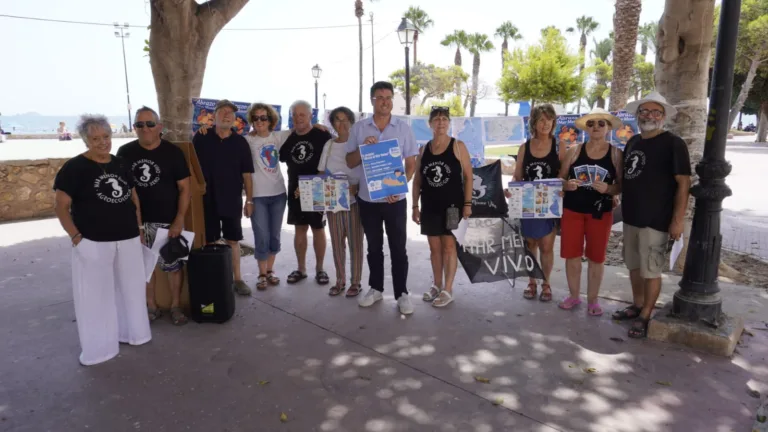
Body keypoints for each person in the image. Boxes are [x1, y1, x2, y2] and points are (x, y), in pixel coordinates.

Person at [52, 114, 151, 366]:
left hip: (127, 238)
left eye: (106, 137)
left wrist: (138, 226)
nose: (102, 142)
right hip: (93, 241)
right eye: (95, 138)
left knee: (131, 290)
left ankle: (133, 334)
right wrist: (76, 238)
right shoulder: (74, 168)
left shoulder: (120, 163)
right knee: (95, 297)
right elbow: (61, 206)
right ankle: (100, 349)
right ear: (86, 140)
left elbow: (133, 196)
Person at [612, 91, 691, 339]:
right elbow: (625, 179)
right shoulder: (633, 141)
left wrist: (677, 220)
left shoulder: (673, 144)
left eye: (655, 112)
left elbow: (684, 184)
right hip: (631, 217)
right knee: (634, 266)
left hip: (656, 220)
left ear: (663, 116)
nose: (649, 116)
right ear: (637, 116)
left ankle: (646, 314)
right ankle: (637, 305)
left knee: (651, 270)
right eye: (644, 111)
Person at [346, 81, 419, 315]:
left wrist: (399, 186)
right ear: (372, 100)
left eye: (388, 97)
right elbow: (350, 161)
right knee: (374, 247)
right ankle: (375, 288)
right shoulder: (359, 128)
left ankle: (402, 294)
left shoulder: (403, 128)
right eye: (380, 97)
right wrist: (363, 149)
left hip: (395, 200)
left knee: (398, 248)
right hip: (368, 199)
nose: (385, 101)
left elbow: (411, 163)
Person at [116, 106, 191, 325]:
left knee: (174, 266)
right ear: (134, 128)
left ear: (159, 127)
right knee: (144, 269)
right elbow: (123, 190)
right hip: (137, 223)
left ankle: (176, 306)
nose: (145, 129)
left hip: (168, 221)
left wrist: (179, 219)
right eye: (140, 124)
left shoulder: (172, 153)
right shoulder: (125, 152)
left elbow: (185, 189)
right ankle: (151, 306)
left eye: (150, 124)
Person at [558, 108, 624, 316]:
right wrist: (566, 185)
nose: (596, 127)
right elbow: (559, 178)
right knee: (572, 256)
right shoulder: (574, 151)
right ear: (586, 128)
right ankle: (574, 296)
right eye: (591, 123)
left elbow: (622, 185)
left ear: (608, 128)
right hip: (573, 210)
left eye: (601, 123)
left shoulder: (616, 154)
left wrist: (609, 189)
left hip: (600, 212)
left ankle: (593, 300)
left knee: (596, 258)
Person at [412, 106, 473, 308]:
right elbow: (417, 181)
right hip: (429, 205)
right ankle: (436, 285)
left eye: (444, 119)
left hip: (453, 207)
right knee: (434, 248)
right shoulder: (424, 149)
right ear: (430, 124)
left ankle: (448, 288)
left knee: (449, 247)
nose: (441, 122)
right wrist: (414, 206)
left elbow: (469, 177)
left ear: (449, 123)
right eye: (437, 119)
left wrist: (467, 204)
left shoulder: (458, 146)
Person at [193, 99, 255, 296]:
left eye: (231, 113)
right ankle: (215, 277)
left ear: (235, 118)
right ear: (215, 116)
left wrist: (250, 200)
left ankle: (237, 279)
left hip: (231, 198)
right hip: (206, 199)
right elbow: (192, 167)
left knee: (233, 240)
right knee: (209, 240)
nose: (227, 115)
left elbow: (247, 174)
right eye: (223, 112)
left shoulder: (240, 142)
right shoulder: (201, 138)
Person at [512, 103, 566, 302]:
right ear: (534, 123)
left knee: (546, 246)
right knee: (530, 244)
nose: (545, 124)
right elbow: (517, 175)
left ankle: (546, 283)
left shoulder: (559, 145)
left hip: (549, 205)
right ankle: (532, 282)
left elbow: (563, 173)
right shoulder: (525, 147)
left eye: (549, 119)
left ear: (554, 122)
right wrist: (512, 191)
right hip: (527, 204)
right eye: (541, 120)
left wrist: (561, 186)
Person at [280, 100, 333, 285]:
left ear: (311, 116)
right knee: (300, 229)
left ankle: (320, 269)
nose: (298, 118)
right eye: (295, 115)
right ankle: (301, 269)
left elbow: (339, 146)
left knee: (318, 229)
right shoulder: (289, 137)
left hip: (317, 188)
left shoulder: (322, 134)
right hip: (294, 191)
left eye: (302, 114)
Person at [317, 106, 364, 297]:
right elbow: (321, 172)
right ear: (333, 123)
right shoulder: (328, 145)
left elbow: (369, 172)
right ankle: (340, 281)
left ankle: (356, 283)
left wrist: (357, 187)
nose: (342, 123)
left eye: (346, 119)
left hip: (355, 202)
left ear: (352, 123)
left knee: (355, 244)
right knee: (337, 244)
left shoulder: (359, 144)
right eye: (337, 119)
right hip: (333, 202)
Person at [244, 102, 291, 291]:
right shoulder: (248, 140)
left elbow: (301, 130)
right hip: (258, 197)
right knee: (261, 235)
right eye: (256, 118)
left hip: (279, 194)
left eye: (264, 117)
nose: (260, 121)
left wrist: (319, 126)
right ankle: (262, 273)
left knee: (275, 235)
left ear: (271, 120)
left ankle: (270, 270)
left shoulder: (277, 137)